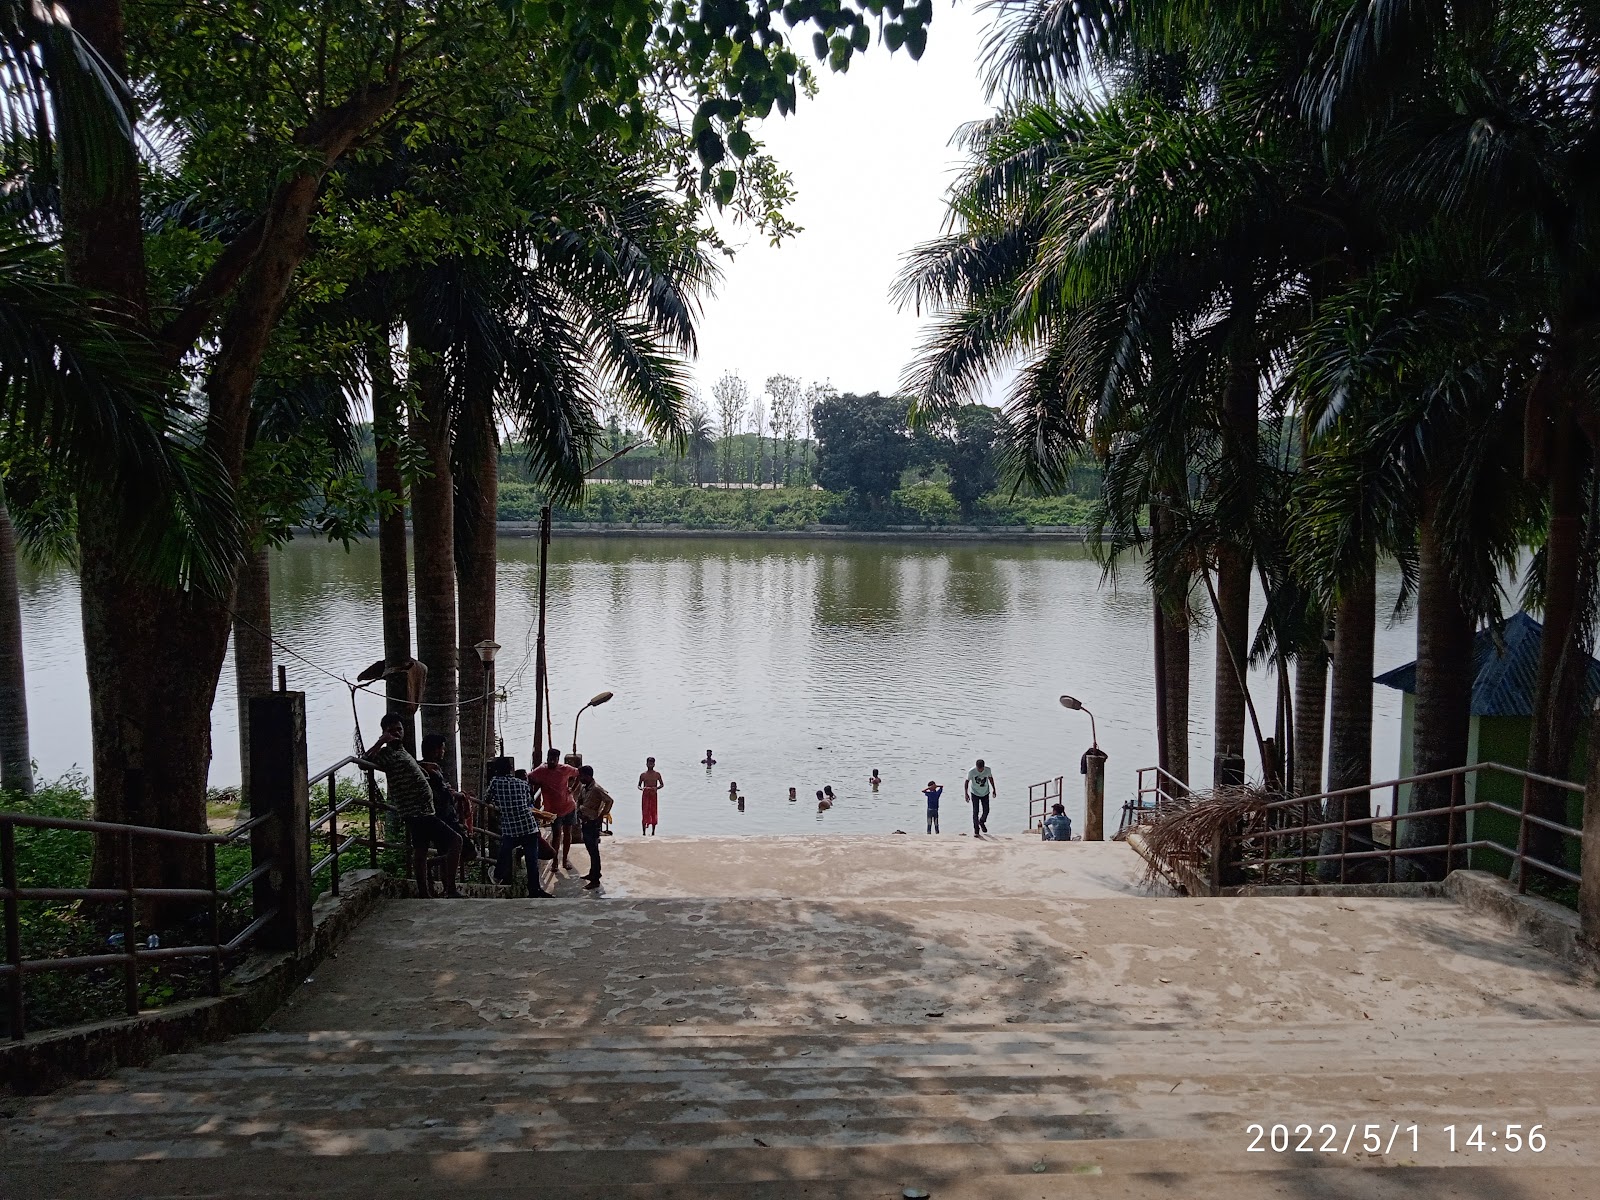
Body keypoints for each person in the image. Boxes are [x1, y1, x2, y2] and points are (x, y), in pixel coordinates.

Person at [366, 713, 462, 898]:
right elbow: (364, 762)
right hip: (417, 812)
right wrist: (380, 742)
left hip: (422, 810)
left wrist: (422, 766)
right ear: (384, 732)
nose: (397, 733)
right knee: (455, 841)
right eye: (391, 730)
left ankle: (424, 894)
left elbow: (407, 767)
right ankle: (450, 889)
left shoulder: (402, 751)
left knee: (421, 851)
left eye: (399, 729)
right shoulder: (386, 754)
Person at [486, 759, 554, 896]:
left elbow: (486, 798)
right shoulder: (522, 783)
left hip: (511, 828)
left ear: (496, 770)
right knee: (531, 860)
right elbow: (528, 801)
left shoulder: (495, 782)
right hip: (529, 826)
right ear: (510, 769)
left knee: (504, 852)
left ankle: (498, 876)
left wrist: (498, 804)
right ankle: (534, 890)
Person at [419, 733, 475, 869]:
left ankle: (443, 878)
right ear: (435, 750)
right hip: (443, 816)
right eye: (442, 748)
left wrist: (452, 792)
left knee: (447, 851)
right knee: (467, 851)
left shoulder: (433, 768)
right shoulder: (426, 770)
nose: (443, 752)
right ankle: (430, 865)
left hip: (447, 815)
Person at [529, 748, 579, 872]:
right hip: (553, 811)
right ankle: (555, 861)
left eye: (554, 760)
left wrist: (573, 788)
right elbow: (528, 777)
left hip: (569, 806)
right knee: (556, 835)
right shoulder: (541, 770)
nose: (551, 762)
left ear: (558, 759)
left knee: (567, 833)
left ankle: (565, 859)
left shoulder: (565, 769)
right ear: (547, 758)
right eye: (549, 759)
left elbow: (579, 773)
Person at [574, 764, 615, 890]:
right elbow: (579, 799)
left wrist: (602, 815)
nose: (579, 778)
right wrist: (579, 809)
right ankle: (593, 872)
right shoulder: (584, 787)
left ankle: (596, 878)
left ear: (588, 776)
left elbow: (609, 800)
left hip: (593, 822)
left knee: (594, 850)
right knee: (590, 849)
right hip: (585, 821)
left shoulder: (596, 789)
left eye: (581, 776)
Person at [965, 758, 996, 836]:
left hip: (985, 792)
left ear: (984, 767)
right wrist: (966, 793)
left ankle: (981, 821)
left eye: (981, 769)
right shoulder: (972, 771)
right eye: (979, 769)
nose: (980, 770)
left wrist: (994, 789)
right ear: (976, 767)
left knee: (986, 810)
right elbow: (967, 782)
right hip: (974, 793)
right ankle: (976, 830)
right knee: (975, 811)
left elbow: (990, 779)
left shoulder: (988, 770)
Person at [639, 756, 664, 835]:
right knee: (645, 812)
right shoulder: (643, 775)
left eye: (651, 763)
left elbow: (662, 784)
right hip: (645, 795)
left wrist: (656, 788)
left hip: (653, 795)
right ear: (646, 764)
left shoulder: (657, 774)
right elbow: (639, 785)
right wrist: (642, 789)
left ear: (654, 764)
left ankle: (653, 832)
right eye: (649, 763)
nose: (650, 765)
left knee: (653, 812)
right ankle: (643, 832)